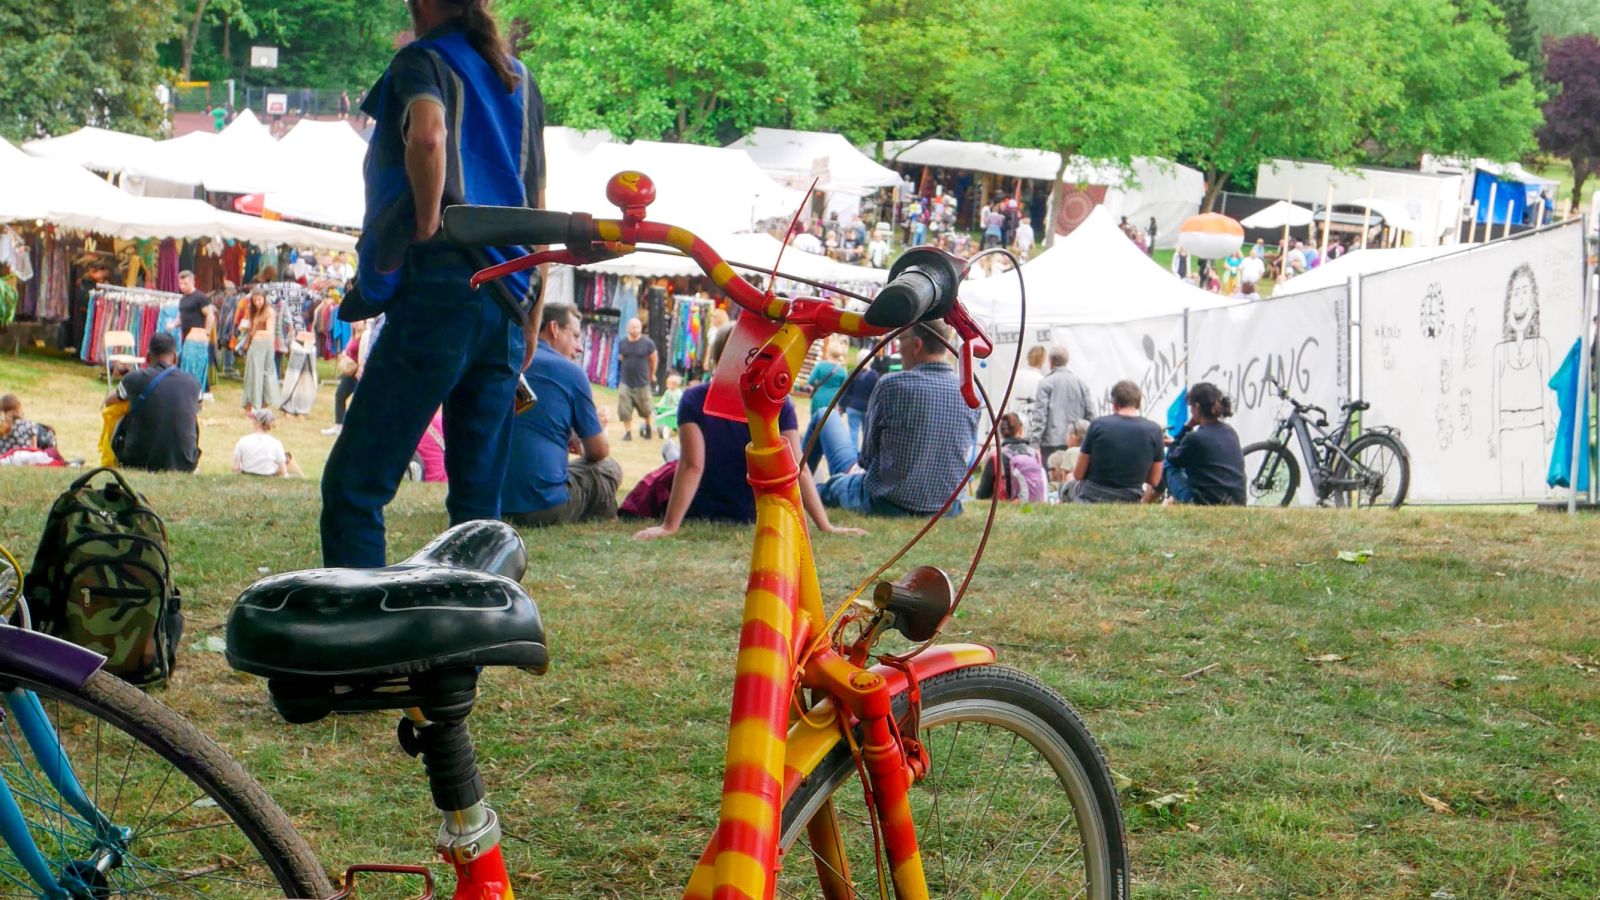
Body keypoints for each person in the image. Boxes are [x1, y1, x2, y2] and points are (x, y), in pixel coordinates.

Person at [322, 0, 547, 568]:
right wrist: (533, 310)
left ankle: (361, 641)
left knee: (355, 486)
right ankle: (461, 657)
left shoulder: (422, 62)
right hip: (507, 298)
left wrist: (425, 220)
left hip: (443, 289)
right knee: (477, 513)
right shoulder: (521, 80)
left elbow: (426, 135)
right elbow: (537, 197)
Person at [633, 331, 863, 539]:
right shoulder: (779, 404)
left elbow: (692, 465)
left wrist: (669, 526)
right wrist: (825, 526)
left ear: (717, 357)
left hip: (702, 508)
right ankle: (670, 452)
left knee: (675, 457)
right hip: (756, 512)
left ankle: (669, 450)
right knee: (675, 458)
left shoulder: (693, 398)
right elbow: (796, 469)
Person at [817, 321, 979, 517]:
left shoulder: (892, 385)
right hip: (946, 508)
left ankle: (794, 484)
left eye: (901, 339)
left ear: (917, 345)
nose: (899, 348)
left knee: (823, 417)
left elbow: (867, 458)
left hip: (886, 501)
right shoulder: (970, 393)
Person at [502, 303, 621, 526]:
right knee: (609, 467)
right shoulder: (571, 373)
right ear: (554, 328)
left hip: (488, 504)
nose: (579, 347)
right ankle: (603, 514)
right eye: (575, 336)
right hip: (543, 508)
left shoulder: (505, 358)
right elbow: (598, 451)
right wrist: (596, 430)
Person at [105, 333, 201, 473]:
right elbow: (196, 409)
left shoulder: (134, 379)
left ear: (148, 357)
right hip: (185, 463)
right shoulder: (193, 383)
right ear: (174, 357)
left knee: (118, 411)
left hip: (137, 461)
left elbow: (109, 402)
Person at [1065, 380, 1164, 504]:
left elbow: (1078, 475)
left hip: (1092, 496)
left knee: (1068, 481)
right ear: (1138, 404)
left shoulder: (1098, 425)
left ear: (1114, 404)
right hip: (1130, 497)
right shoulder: (1155, 430)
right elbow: (1155, 480)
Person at [1163, 382, 1245, 505]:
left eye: (1191, 407)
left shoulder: (1195, 438)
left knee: (1168, 465)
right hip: (1237, 501)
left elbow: (1172, 457)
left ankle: (1174, 500)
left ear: (1196, 407)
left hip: (1208, 502)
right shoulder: (1230, 431)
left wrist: (1187, 427)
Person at [800, 336, 855, 476]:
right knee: (828, 426)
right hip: (833, 402)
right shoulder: (842, 370)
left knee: (815, 425)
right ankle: (824, 451)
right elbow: (845, 388)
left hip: (818, 399)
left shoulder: (820, 365)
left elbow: (811, 381)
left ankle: (809, 451)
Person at [1029, 346, 1094, 462]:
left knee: (1053, 476)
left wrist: (1034, 444)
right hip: (1077, 441)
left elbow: (1040, 416)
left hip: (1051, 443)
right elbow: (1090, 413)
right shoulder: (1080, 383)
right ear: (1067, 361)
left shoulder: (1046, 383)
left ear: (1051, 362)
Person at [974, 412, 1046, 502]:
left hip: (1005, 504)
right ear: (1021, 429)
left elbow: (982, 494)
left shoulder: (996, 456)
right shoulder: (1034, 454)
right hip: (1035, 503)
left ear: (1001, 432)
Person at [322, 318, 370, 436]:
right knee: (340, 395)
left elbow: (364, 354)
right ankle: (339, 425)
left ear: (364, 322)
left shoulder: (366, 336)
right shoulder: (353, 335)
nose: (356, 323)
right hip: (349, 372)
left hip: (358, 372)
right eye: (355, 321)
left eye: (359, 321)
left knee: (359, 401)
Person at [238, 289, 280, 416]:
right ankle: (253, 403)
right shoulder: (254, 311)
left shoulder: (269, 312)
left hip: (263, 345)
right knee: (253, 374)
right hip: (256, 344)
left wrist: (255, 333)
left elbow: (270, 331)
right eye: (255, 300)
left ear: (264, 298)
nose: (257, 302)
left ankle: (259, 405)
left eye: (259, 300)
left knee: (262, 374)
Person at [616, 316, 658, 440]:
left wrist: (652, 374)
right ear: (628, 328)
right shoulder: (622, 342)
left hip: (642, 381)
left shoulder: (648, 343)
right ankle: (628, 433)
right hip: (626, 381)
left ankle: (648, 428)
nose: (635, 330)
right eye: (633, 327)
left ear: (641, 329)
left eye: (637, 327)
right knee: (624, 409)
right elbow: (621, 358)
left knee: (646, 409)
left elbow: (653, 359)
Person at [233, 409, 304, 478]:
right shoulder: (276, 443)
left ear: (257, 422)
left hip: (247, 474)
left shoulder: (243, 440)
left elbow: (235, 468)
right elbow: (283, 471)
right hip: (268, 475)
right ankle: (303, 477)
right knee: (288, 459)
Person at [176, 270, 213, 398]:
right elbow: (181, 317)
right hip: (186, 336)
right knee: (186, 363)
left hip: (198, 337)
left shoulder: (200, 297)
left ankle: (201, 391)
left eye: (185, 283)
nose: (182, 286)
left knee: (196, 364)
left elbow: (210, 315)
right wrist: (172, 324)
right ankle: (194, 390)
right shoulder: (183, 299)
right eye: (180, 283)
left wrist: (207, 333)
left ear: (192, 282)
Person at [839, 354, 882, 449]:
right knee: (866, 432)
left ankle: (853, 453)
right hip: (867, 408)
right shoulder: (874, 375)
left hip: (853, 406)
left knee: (853, 431)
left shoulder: (853, 373)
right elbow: (876, 394)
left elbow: (846, 391)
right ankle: (864, 452)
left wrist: (841, 405)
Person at [279, 329, 319, 417]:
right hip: (297, 341)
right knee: (292, 378)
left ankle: (303, 408)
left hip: (310, 342)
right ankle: (288, 407)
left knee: (307, 381)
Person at [1011, 345, 1047, 435]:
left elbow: (1005, 400)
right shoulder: (1041, 380)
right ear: (1042, 360)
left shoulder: (1016, 375)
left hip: (1013, 425)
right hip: (1032, 427)